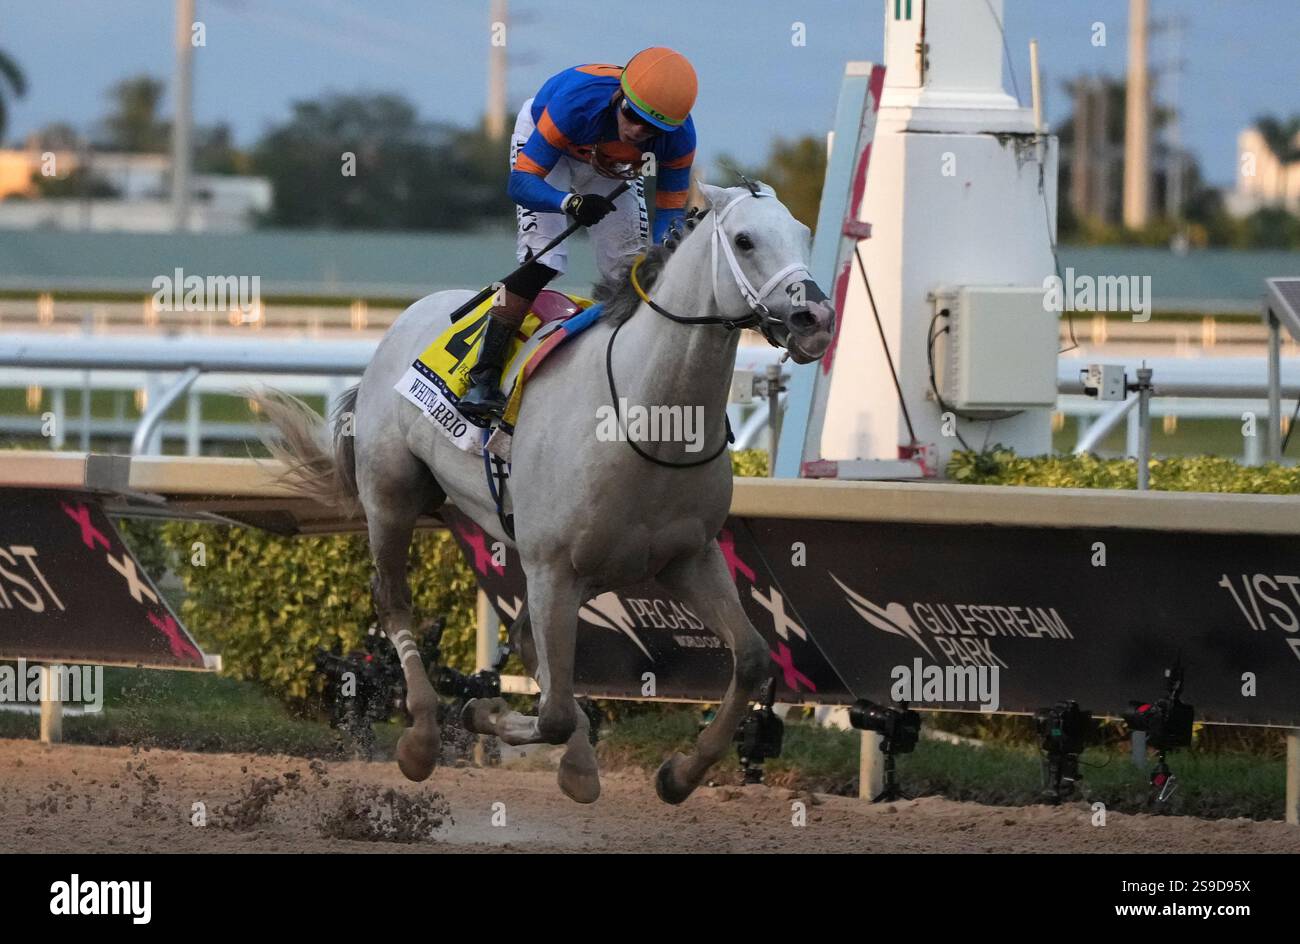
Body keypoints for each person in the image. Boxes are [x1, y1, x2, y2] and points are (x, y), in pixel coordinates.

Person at [459, 46, 698, 419]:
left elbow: (670, 213)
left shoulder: (680, 139)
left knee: (635, 269)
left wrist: (671, 245)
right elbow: (521, 184)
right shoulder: (577, 103)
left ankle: (633, 372)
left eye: (653, 130)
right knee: (545, 259)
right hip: (551, 151)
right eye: (632, 116)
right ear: (620, 96)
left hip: (608, 166)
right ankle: (484, 374)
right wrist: (569, 203)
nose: (638, 132)